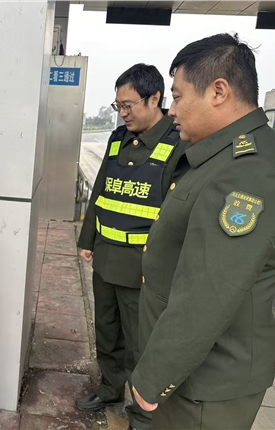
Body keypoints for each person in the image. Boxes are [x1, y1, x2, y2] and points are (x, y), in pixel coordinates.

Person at [131, 33, 275, 430]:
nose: (172, 110)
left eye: (178, 96)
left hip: (204, 385)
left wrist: (153, 377)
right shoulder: (221, 154)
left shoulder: (249, 170)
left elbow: (208, 292)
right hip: (191, 374)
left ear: (218, 92)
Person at [76, 64, 189, 430]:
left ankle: (142, 413)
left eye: (128, 106)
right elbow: (101, 191)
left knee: (141, 343)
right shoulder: (117, 138)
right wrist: (87, 239)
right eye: (118, 106)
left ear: (154, 99)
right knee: (107, 331)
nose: (123, 113)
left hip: (143, 266)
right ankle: (110, 389)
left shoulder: (177, 144)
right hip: (107, 256)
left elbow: (177, 216)